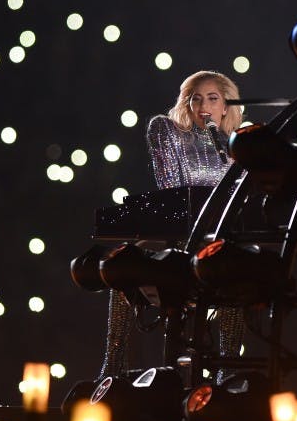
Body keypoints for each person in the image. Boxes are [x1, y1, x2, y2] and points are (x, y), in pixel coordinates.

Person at [99, 70, 245, 380]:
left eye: (213, 98)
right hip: (179, 243)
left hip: (220, 244)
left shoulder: (239, 144)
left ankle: (227, 371)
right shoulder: (167, 130)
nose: (204, 105)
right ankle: (112, 367)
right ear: (187, 104)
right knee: (123, 264)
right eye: (196, 98)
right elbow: (172, 192)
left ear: (226, 106)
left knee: (235, 269)